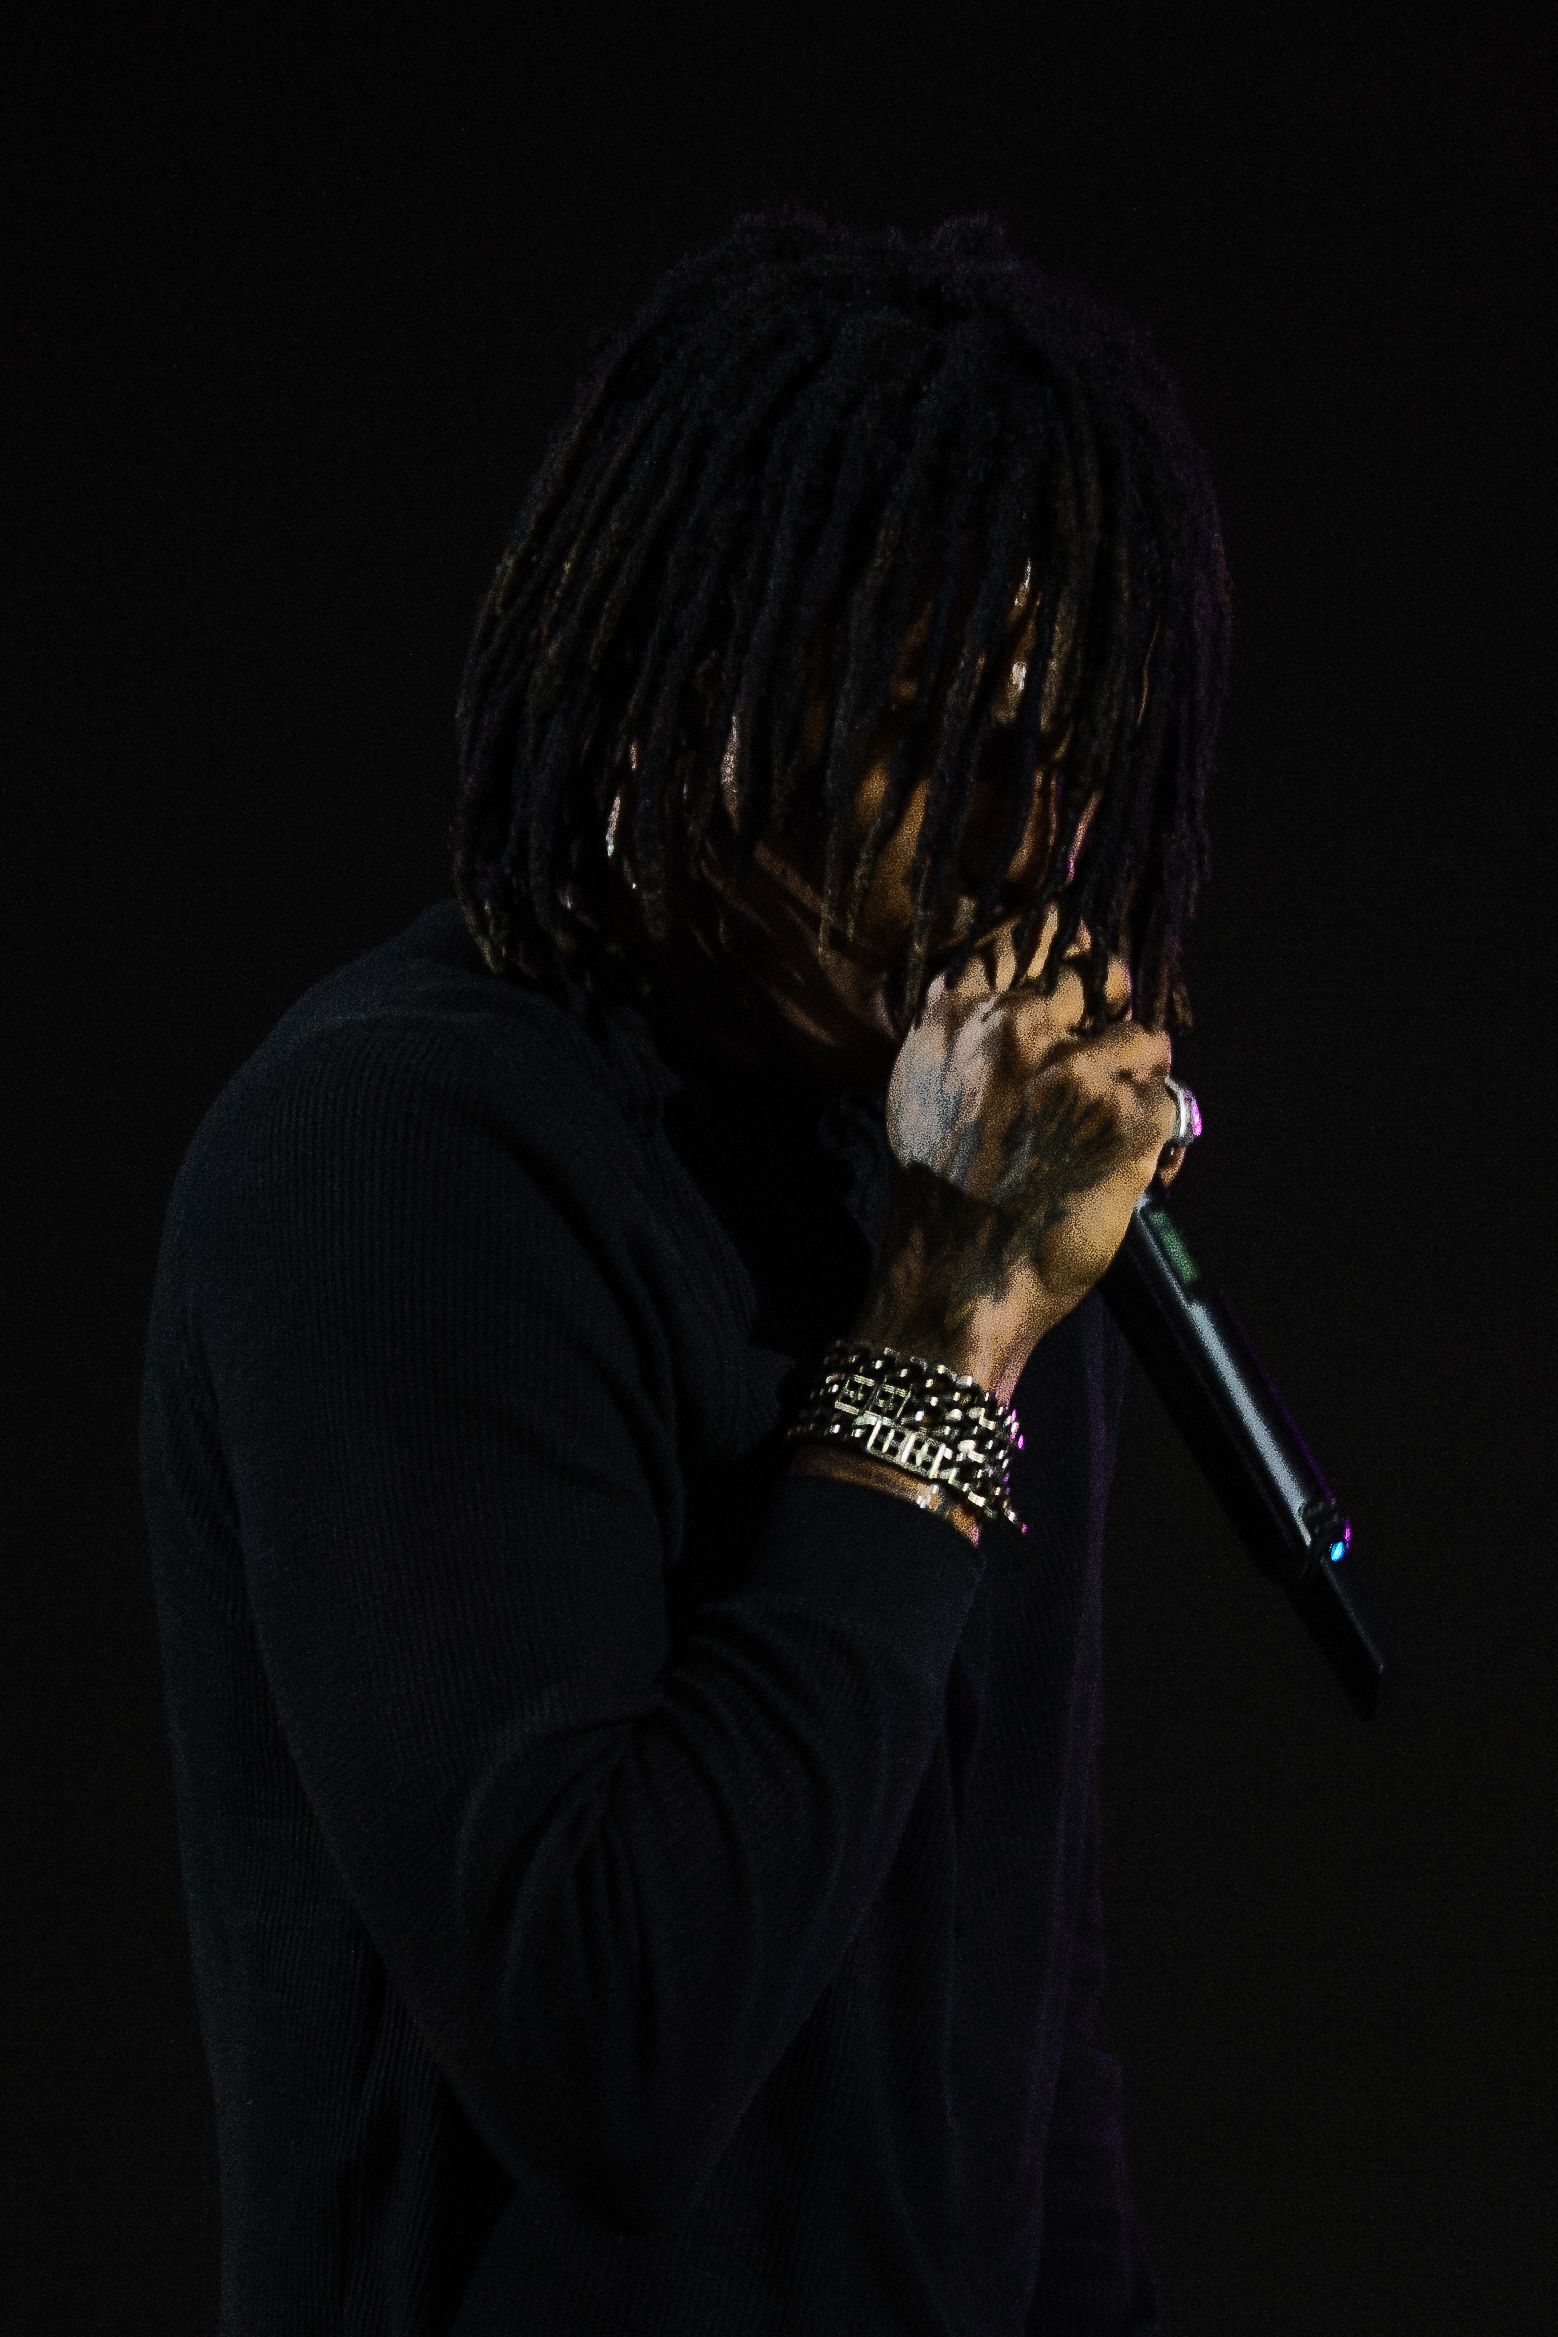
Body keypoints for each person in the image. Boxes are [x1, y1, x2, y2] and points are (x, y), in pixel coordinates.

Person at [139, 206, 1231, 2335]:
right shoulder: (400, 1154)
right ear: (695, 684)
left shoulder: (951, 1185)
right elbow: (610, 2046)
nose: (1030, 850)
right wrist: (939, 1342)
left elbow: (1023, 2043)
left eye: (1073, 765)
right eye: (939, 739)